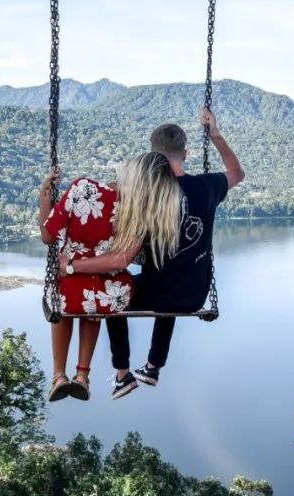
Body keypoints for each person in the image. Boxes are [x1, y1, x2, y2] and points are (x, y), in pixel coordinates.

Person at [64, 108, 245, 399]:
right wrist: (216, 135)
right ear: (185, 154)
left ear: (153, 155)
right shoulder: (208, 186)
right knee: (173, 272)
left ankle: (122, 374)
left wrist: (72, 264)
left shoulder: (148, 196)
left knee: (114, 291)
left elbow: (121, 258)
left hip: (158, 293)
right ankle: (153, 366)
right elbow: (237, 172)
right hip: (194, 295)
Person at [38, 150, 186, 401]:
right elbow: (123, 260)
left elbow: (47, 237)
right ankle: (83, 374)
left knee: (65, 298)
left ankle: (59, 375)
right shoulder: (141, 211)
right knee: (94, 298)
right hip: (110, 294)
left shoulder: (82, 188)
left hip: (70, 286)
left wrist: (45, 196)